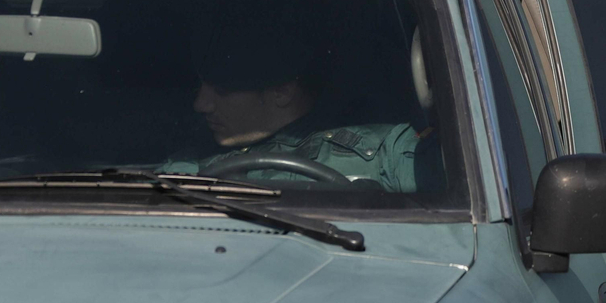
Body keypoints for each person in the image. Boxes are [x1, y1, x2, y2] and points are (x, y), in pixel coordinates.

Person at [160, 21, 423, 191]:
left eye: (222, 90)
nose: (200, 104)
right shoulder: (191, 166)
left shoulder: (385, 153)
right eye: (200, 88)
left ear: (282, 92)